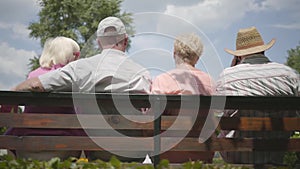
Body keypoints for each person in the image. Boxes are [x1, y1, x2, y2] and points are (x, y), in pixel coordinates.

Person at [13, 16, 152, 162]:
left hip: (97, 150)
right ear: (125, 41)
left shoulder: (81, 67)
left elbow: (36, 85)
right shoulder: (142, 73)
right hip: (133, 151)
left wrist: (15, 89)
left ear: (99, 42)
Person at [216, 26, 300, 164]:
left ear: (238, 55)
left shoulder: (227, 76)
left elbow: (221, 113)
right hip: (278, 153)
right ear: (264, 50)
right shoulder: (289, 74)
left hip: (237, 156)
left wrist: (233, 68)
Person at [3, 36, 83, 160]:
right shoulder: (70, 78)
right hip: (65, 137)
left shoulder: (33, 75)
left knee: (12, 131)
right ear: (68, 55)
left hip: (27, 136)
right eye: (77, 54)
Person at [151, 33, 215, 163]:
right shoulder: (210, 82)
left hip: (167, 157)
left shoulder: (162, 81)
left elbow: (150, 121)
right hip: (203, 156)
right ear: (197, 58)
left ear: (174, 53)